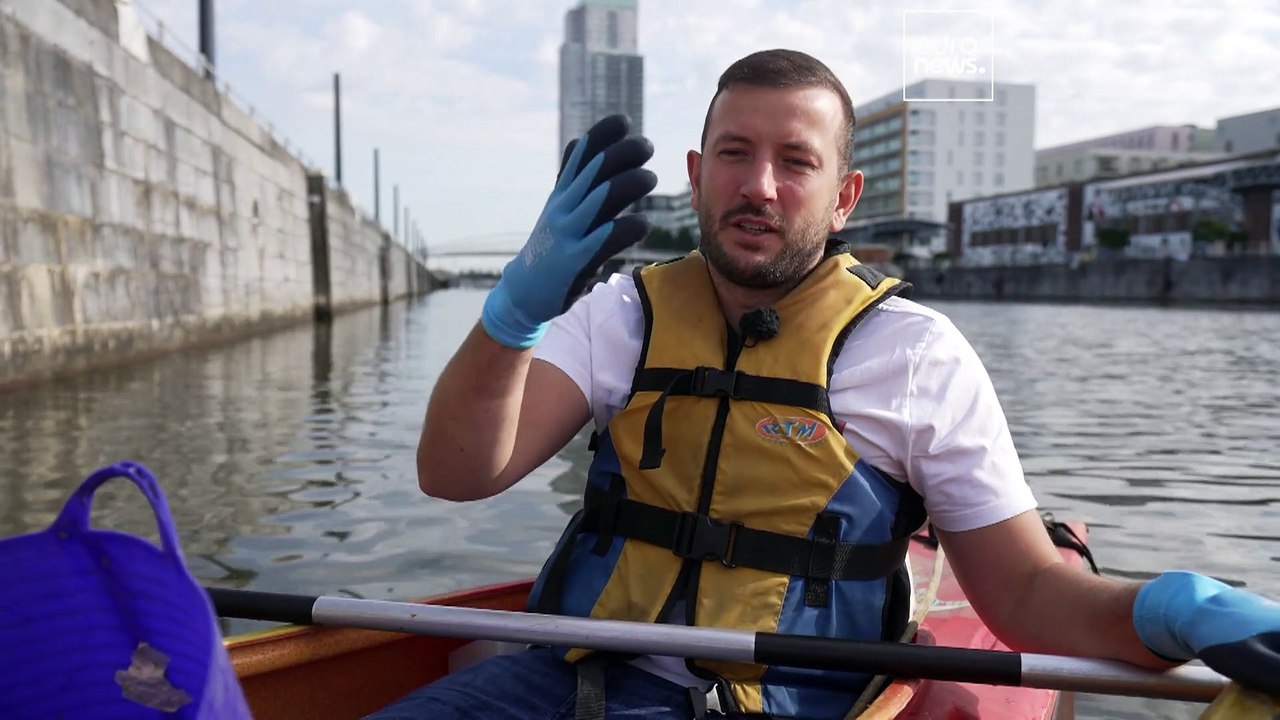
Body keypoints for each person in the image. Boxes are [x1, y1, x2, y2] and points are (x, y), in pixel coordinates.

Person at [374, 49, 1280, 719]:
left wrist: (1168, 608)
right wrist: (512, 317)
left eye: (796, 161)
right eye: (734, 153)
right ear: (696, 176)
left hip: (798, 703)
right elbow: (455, 474)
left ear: (845, 195)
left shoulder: (916, 355)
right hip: (571, 680)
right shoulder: (619, 314)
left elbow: (1025, 596)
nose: (759, 186)